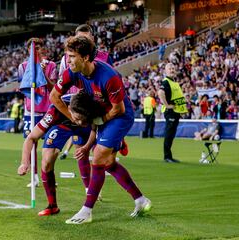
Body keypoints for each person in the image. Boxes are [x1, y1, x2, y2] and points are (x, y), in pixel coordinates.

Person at [51, 36, 151, 224]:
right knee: (108, 163)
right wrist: (72, 116)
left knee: (98, 156)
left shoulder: (109, 76)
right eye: (67, 55)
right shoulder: (71, 73)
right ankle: (141, 200)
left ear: (86, 57)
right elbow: (54, 96)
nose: (68, 60)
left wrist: (100, 120)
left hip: (119, 116)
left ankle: (87, 210)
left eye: (72, 56)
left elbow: (118, 109)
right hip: (102, 116)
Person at [18, 91, 104, 216]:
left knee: (92, 154)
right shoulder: (54, 112)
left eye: (82, 119)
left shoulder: (90, 108)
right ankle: (52, 206)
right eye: (77, 118)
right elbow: (31, 138)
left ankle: (88, 189)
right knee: (47, 159)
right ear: (69, 109)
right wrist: (24, 163)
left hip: (86, 128)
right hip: (62, 124)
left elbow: (93, 130)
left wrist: (86, 147)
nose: (79, 122)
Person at [58, 24, 113, 160]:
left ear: (92, 39)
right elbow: (62, 81)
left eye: (86, 38)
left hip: (99, 106)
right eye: (79, 38)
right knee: (80, 148)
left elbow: (113, 81)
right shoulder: (66, 58)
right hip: (79, 107)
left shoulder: (105, 57)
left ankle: (101, 170)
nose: (82, 42)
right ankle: (88, 180)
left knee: (102, 151)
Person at [18, 38, 58, 187]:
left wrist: (42, 74)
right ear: (29, 51)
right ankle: (34, 176)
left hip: (48, 109)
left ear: (43, 50)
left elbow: (54, 87)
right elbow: (23, 88)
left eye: (38, 48)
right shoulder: (23, 67)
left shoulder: (52, 65)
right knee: (31, 142)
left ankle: (49, 174)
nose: (35, 51)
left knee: (51, 144)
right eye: (32, 48)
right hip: (31, 111)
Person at [158, 63, 188, 163]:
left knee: (171, 134)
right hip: (170, 111)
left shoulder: (174, 82)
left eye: (173, 68)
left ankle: (169, 156)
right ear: (165, 71)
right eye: (170, 68)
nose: (172, 70)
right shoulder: (166, 81)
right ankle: (167, 156)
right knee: (169, 133)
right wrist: (167, 105)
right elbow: (160, 92)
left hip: (175, 112)